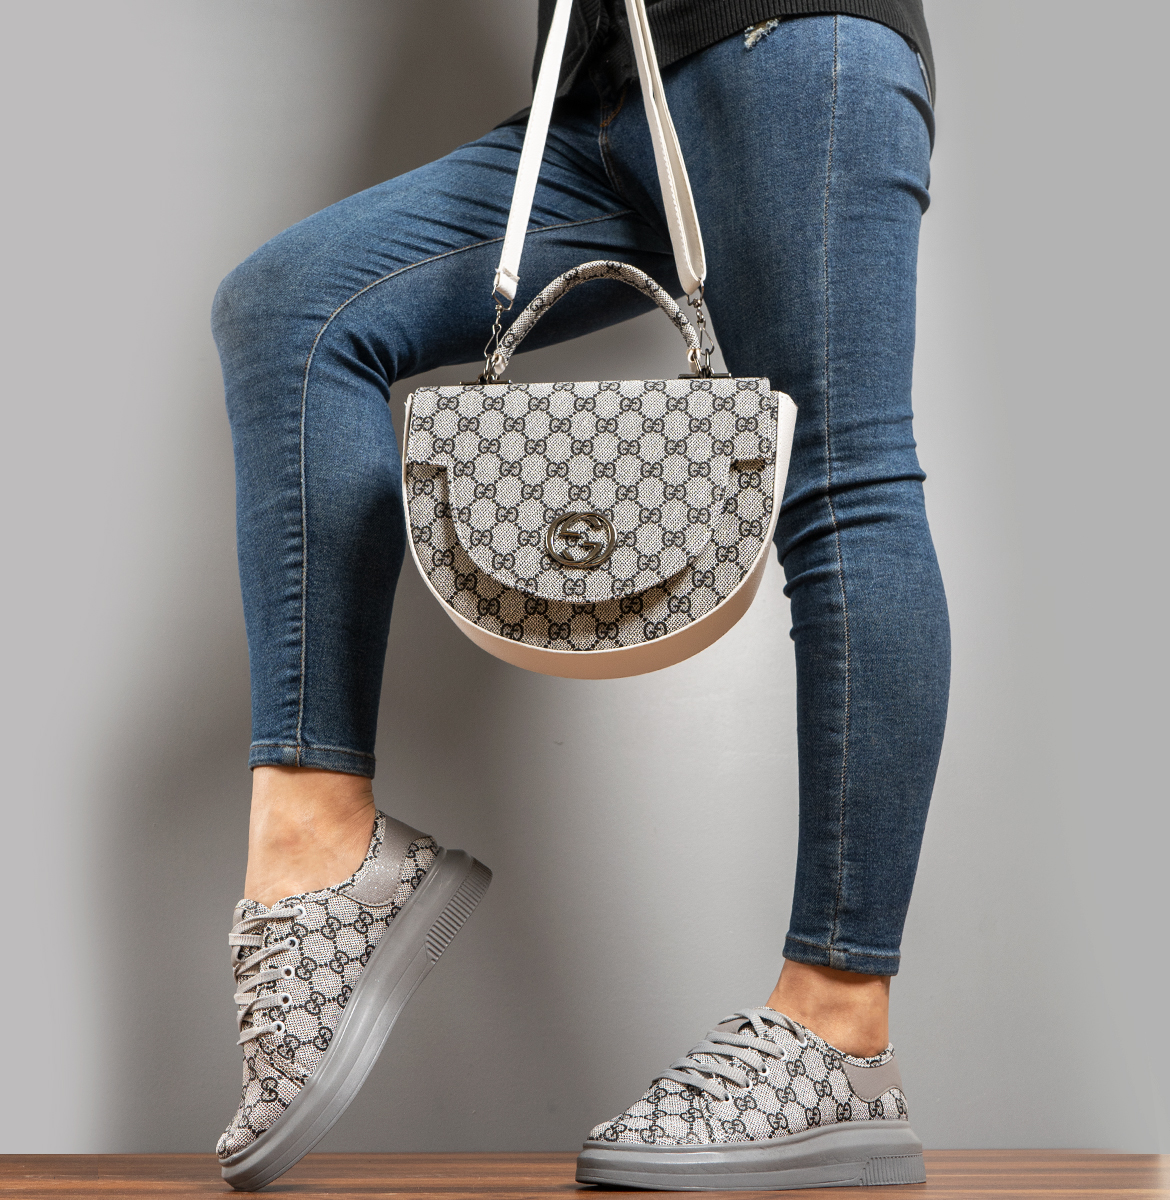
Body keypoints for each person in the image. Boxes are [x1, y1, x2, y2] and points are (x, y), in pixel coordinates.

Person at [211, 0, 948, 1190]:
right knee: (291, 310)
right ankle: (320, 848)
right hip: (610, 88)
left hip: (784, 41)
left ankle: (838, 1023)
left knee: (842, 480)